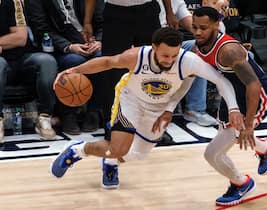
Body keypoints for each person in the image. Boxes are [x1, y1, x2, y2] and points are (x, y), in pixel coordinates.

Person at [49, 27, 245, 190]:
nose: (169, 60)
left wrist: (234, 108)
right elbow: (108, 62)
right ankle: (77, 150)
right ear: (153, 47)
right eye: (165, 55)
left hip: (158, 110)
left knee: (137, 155)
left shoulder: (188, 61)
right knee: (118, 148)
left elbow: (220, 80)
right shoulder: (136, 56)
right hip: (131, 101)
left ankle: (110, 161)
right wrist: (74, 70)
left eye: (174, 55)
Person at [191, 7, 267, 205]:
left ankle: (241, 183)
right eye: (194, 27)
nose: (198, 32)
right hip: (231, 96)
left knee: (213, 153)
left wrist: (249, 124)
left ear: (216, 25)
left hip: (255, 95)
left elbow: (253, 84)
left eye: (203, 28)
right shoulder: (197, 46)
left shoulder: (228, 51)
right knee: (228, 139)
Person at [82, 0, 179, 140]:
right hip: (116, 12)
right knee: (112, 73)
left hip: (147, 11)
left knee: (154, 69)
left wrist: (169, 12)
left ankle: (153, 125)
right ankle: (114, 124)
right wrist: (87, 21)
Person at [25, 0, 105, 135]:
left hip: (91, 43)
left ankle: (94, 112)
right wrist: (68, 46)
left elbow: (104, 22)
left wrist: (99, 40)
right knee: (75, 60)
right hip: (60, 48)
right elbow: (41, 29)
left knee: (100, 59)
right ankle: (68, 114)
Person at [0, 0, 58, 141]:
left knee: (47, 61)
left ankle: (44, 117)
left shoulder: (13, 2)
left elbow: (20, 37)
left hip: (22, 59)